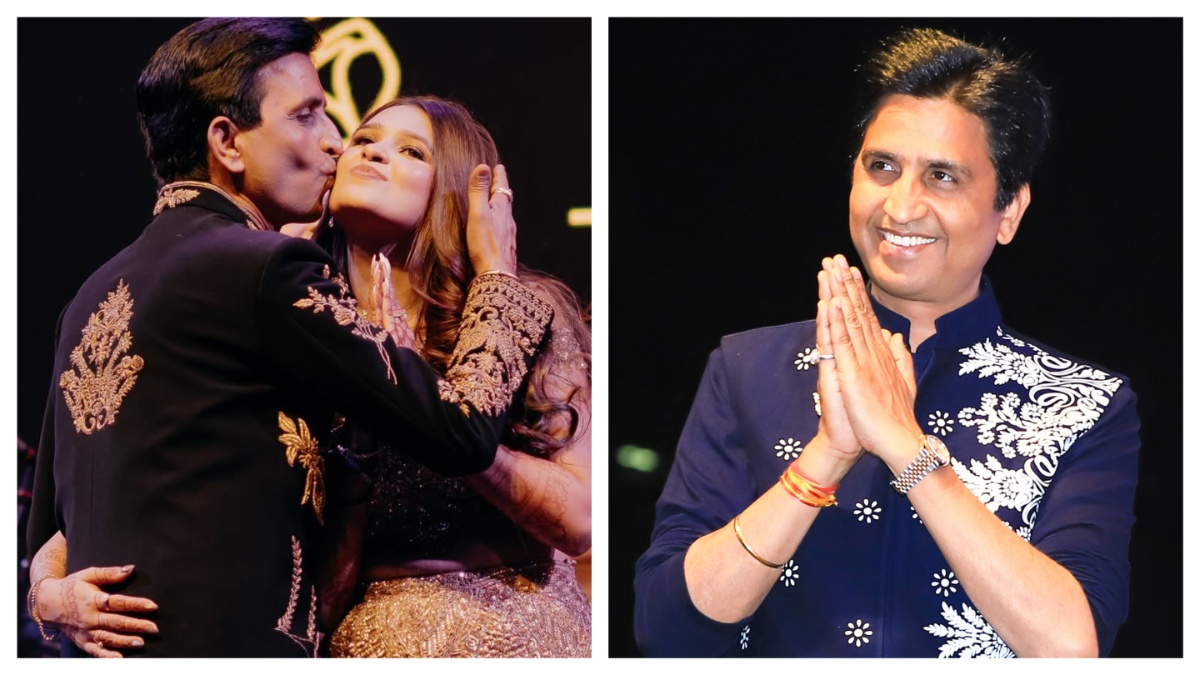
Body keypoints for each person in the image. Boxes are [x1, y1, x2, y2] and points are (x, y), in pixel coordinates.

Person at [25, 17, 552, 658]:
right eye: (307, 116)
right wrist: (496, 274)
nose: (335, 141)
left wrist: (45, 598)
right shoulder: (266, 267)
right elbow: (462, 429)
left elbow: (49, 532)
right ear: (228, 142)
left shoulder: (88, 296)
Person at [634, 27, 1139, 658]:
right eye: (882, 167)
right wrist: (827, 455)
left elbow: (1071, 649)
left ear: (1008, 210)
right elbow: (666, 632)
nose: (900, 207)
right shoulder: (748, 368)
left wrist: (905, 445)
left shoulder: (1085, 403)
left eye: (943, 176)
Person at [311, 95, 592, 658]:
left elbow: (579, 521)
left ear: (457, 195)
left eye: (412, 151)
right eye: (363, 140)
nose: (373, 153)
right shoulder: (305, 323)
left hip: (517, 630)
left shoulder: (527, 310)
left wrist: (431, 411)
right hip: (364, 642)